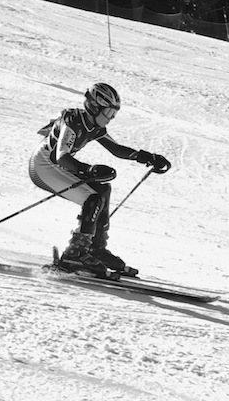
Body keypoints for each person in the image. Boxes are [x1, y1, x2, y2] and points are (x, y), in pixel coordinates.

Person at [28, 82, 171, 277]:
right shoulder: (73, 121)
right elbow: (61, 156)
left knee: (102, 190)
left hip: (58, 165)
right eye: (108, 113)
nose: (111, 118)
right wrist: (88, 170)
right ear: (94, 107)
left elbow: (116, 149)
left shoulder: (94, 126)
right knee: (92, 199)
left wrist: (147, 157)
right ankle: (74, 254)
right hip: (44, 166)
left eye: (114, 114)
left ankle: (95, 248)